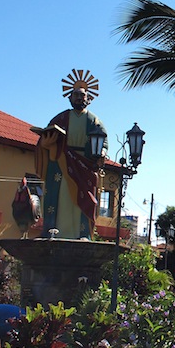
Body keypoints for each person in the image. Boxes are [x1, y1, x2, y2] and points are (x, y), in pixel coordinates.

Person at [34, 69, 107, 239]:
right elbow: (46, 138)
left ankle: (83, 233)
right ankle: (53, 231)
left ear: (88, 99)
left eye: (83, 96)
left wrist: (102, 152)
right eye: (76, 95)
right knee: (59, 197)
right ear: (70, 98)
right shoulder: (60, 118)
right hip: (61, 162)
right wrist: (45, 144)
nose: (80, 98)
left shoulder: (94, 121)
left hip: (84, 165)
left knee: (83, 199)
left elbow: (103, 141)